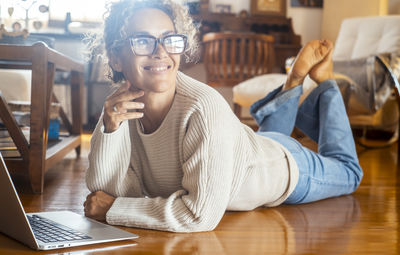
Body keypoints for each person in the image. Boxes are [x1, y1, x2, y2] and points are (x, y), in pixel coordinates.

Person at [84, 0, 363, 233]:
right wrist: (110, 130)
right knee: (258, 142)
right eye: (143, 40)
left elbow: (198, 215)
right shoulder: (120, 110)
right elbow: (108, 195)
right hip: (245, 149)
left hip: (283, 168)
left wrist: (114, 209)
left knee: (349, 172)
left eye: (169, 39)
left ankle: (325, 83)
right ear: (116, 57)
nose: (161, 52)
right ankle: (292, 86)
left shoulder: (204, 107)